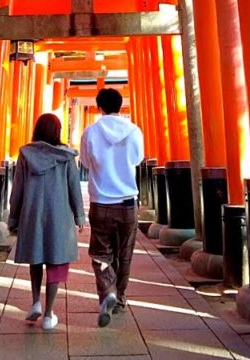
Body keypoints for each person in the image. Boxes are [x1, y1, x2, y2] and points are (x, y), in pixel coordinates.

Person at [8, 113, 86, 331]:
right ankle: (49, 314)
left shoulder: (26, 154)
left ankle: (35, 301)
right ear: (57, 132)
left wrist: (13, 217)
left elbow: (18, 188)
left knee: (36, 258)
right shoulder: (67, 157)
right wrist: (79, 216)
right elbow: (74, 188)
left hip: (32, 213)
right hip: (58, 215)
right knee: (56, 262)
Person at [80, 87, 145, 327]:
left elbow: (86, 163)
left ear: (99, 107)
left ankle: (107, 289)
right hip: (128, 202)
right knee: (124, 253)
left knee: (100, 252)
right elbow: (138, 160)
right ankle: (120, 299)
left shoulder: (91, 132)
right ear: (120, 106)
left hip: (101, 202)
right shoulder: (135, 131)